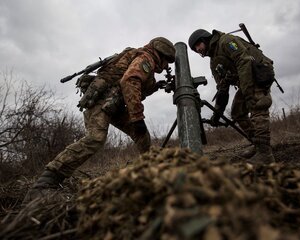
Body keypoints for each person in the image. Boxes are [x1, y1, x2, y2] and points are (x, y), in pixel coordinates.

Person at [24, 37, 175, 201]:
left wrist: (157, 86)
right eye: (167, 61)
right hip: (101, 100)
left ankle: (151, 173)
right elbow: (130, 81)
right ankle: (45, 183)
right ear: (161, 53)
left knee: (142, 136)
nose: (166, 66)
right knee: (95, 139)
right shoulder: (146, 58)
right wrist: (137, 117)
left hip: (114, 104)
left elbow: (139, 85)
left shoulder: (145, 62)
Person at [188, 28, 275, 163]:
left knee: (257, 105)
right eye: (195, 49)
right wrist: (216, 115)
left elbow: (244, 61)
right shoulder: (214, 62)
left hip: (258, 74)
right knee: (237, 112)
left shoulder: (226, 41)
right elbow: (222, 89)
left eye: (198, 45)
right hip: (246, 82)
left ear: (205, 39)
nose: (197, 49)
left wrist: (247, 92)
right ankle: (259, 146)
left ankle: (265, 154)